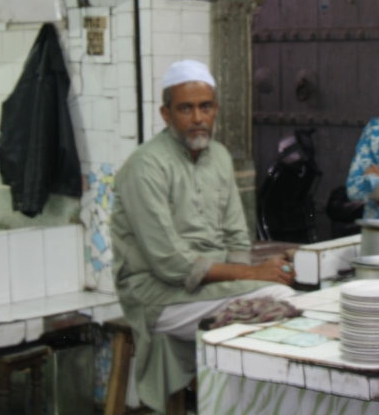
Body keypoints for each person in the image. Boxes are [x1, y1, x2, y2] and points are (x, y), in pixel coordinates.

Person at [111, 60, 296, 414]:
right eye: (186, 108)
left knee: (277, 296)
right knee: (277, 297)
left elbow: (236, 238)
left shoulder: (220, 157)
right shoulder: (145, 166)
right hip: (157, 296)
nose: (198, 117)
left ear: (215, 110)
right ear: (166, 115)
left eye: (205, 107)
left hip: (208, 290)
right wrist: (253, 276)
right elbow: (170, 264)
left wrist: (245, 276)